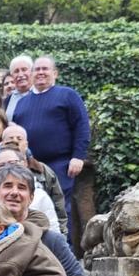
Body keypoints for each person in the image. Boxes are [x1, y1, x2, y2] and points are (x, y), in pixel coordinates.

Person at [10, 56, 90, 218]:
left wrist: (78, 156)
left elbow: (81, 125)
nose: (41, 72)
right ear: (32, 74)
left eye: (45, 69)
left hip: (60, 165)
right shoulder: (22, 103)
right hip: (30, 165)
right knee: (31, 209)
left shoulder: (67, 95)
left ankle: (63, 237)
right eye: (37, 69)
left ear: (55, 73)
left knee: (60, 210)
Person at [2, 124, 68, 234]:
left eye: (19, 138)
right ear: (2, 143)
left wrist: (61, 235)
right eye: (10, 139)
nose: (15, 141)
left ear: (26, 144)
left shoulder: (43, 171)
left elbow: (59, 207)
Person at [0, 148, 61, 234]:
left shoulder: (41, 196)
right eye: (1, 165)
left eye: (12, 163)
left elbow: (54, 228)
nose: (14, 192)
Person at [3, 54, 32, 120]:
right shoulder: (7, 101)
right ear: (12, 76)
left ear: (32, 72)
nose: (20, 74)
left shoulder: (41, 94)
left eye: (24, 70)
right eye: (16, 71)